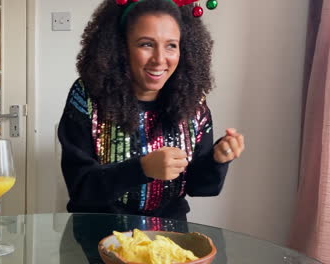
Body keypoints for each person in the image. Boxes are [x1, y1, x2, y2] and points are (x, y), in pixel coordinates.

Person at [58, 0, 245, 222]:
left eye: (171, 45)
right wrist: (142, 168)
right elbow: (80, 188)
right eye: (146, 44)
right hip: (97, 234)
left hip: (169, 237)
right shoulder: (87, 96)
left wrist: (217, 159)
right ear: (121, 46)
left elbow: (200, 187)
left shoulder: (192, 102)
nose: (159, 59)